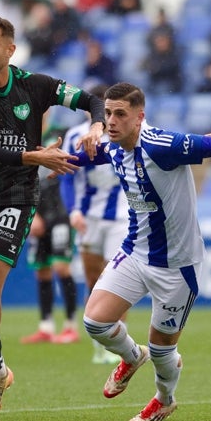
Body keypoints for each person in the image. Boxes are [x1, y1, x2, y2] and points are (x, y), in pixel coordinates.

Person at [71, 82, 211, 421]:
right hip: (135, 252)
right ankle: (133, 357)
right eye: (108, 114)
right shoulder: (114, 147)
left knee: (164, 350)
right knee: (94, 322)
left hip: (178, 265)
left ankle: (164, 398)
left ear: (139, 117)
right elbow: (82, 159)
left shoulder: (163, 146)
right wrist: (46, 157)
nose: (112, 121)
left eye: (121, 114)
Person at [0, 15, 105, 419]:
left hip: (17, 196)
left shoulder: (36, 86)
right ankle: (0, 372)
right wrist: (37, 155)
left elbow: (92, 99)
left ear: (11, 50)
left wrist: (95, 124)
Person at [61, 83, 128, 364]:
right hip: (87, 217)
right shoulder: (75, 135)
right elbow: (66, 175)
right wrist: (72, 211)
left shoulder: (124, 135)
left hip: (120, 218)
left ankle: (119, 345)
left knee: (118, 282)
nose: (108, 116)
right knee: (93, 279)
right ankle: (99, 340)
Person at [21, 128, 81, 345]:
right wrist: (33, 215)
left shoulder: (65, 139)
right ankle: (45, 327)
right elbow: (27, 183)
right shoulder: (30, 143)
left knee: (61, 267)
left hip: (62, 217)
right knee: (42, 272)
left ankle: (71, 326)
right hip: (40, 217)